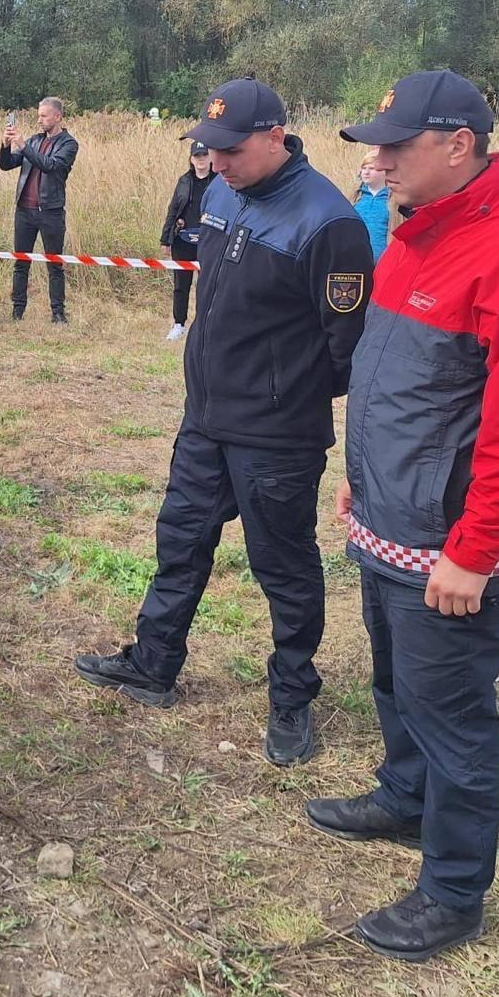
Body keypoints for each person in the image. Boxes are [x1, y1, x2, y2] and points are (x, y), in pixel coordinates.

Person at [305, 71, 499, 961]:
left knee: (454, 714)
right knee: (398, 682)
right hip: (387, 515)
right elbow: (399, 377)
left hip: (450, 545)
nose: (375, 161)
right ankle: (404, 797)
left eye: (394, 146)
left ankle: (453, 891)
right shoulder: (416, 234)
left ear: (460, 145)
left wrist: (475, 554)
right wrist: (361, 479)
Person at [74, 77, 374, 766]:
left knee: (284, 566)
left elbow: (345, 349)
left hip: (277, 436)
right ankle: (153, 665)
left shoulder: (329, 222)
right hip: (206, 417)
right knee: (179, 539)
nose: (218, 161)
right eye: (208, 149)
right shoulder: (216, 192)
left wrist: (280, 395)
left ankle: (292, 697)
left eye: (231, 150)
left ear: (276, 136)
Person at [0, 98, 79, 324]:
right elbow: (6, 165)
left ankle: (58, 312)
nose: (39, 120)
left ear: (58, 117)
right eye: (38, 115)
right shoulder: (34, 140)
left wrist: (23, 146)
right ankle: (17, 311)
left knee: (54, 264)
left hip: (50, 211)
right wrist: (5, 145)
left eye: (44, 116)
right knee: (20, 262)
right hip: (24, 210)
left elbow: (50, 165)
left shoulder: (69, 144)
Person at [160, 142, 214, 340]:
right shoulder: (183, 181)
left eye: (204, 155)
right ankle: (179, 324)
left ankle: (203, 324)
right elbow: (173, 210)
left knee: (207, 285)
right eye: (197, 155)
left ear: (210, 157)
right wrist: (166, 239)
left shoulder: (219, 181)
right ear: (191, 159)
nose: (201, 159)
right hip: (183, 240)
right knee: (181, 284)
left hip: (208, 241)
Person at [351, 149, 393, 260]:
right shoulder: (355, 198)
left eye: (371, 168)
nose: (366, 172)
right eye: (364, 168)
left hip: (383, 262)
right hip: (357, 261)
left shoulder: (393, 200)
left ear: (384, 172)